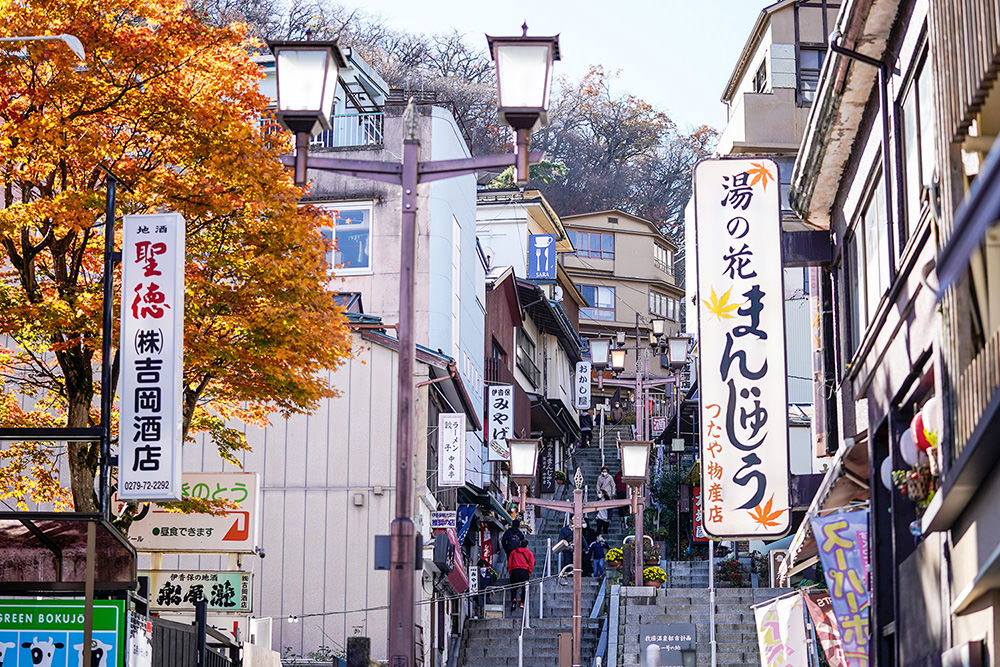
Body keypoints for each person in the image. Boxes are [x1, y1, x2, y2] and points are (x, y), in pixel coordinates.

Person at [507, 538, 535, 611]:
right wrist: (529, 572)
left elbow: (509, 563)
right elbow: (532, 563)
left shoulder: (513, 552)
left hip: (514, 570)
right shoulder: (529, 552)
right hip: (524, 571)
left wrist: (510, 572)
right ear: (527, 545)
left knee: (514, 587)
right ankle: (522, 602)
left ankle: (514, 599)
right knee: (524, 588)